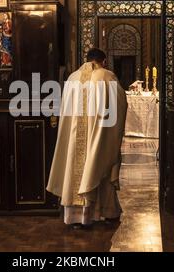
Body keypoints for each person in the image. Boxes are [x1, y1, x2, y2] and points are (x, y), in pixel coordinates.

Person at [47, 48, 128, 229]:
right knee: (99, 164)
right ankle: (105, 212)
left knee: (75, 168)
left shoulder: (73, 78)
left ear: (87, 59)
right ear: (104, 61)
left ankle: (75, 218)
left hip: (75, 140)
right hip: (98, 135)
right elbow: (120, 104)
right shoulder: (107, 77)